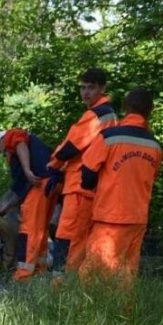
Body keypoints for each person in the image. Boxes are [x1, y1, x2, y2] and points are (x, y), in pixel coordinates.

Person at [79, 87, 163, 288]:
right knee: (126, 273)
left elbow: (87, 172)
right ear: (150, 111)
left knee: (93, 273)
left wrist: (91, 187)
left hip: (110, 217)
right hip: (137, 218)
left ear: (125, 107)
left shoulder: (110, 136)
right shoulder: (155, 146)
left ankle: (88, 317)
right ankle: (123, 316)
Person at [46, 68, 118, 284]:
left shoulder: (96, 115)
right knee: (82, 239)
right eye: (83, 87)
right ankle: (78, 284)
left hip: (79, 188)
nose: (86, 92)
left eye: (91, 87)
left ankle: (61, 288)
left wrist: (53, 165)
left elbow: (72, 146)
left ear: (102, 88)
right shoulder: (110, 115)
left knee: (67, 237)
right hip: (91, 188)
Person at [0, 128, 59, 281]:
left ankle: (23, 275)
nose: (4, 155)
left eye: (1, 151)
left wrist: (27, 170)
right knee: (40, 230)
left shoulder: (11, 137)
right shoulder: (36, 148)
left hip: (39, 183)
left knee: (28, 230)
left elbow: (20, 144)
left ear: (2, 141)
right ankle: (39, 269)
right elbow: (19, 188)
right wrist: (3, 209)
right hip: (52, 184)